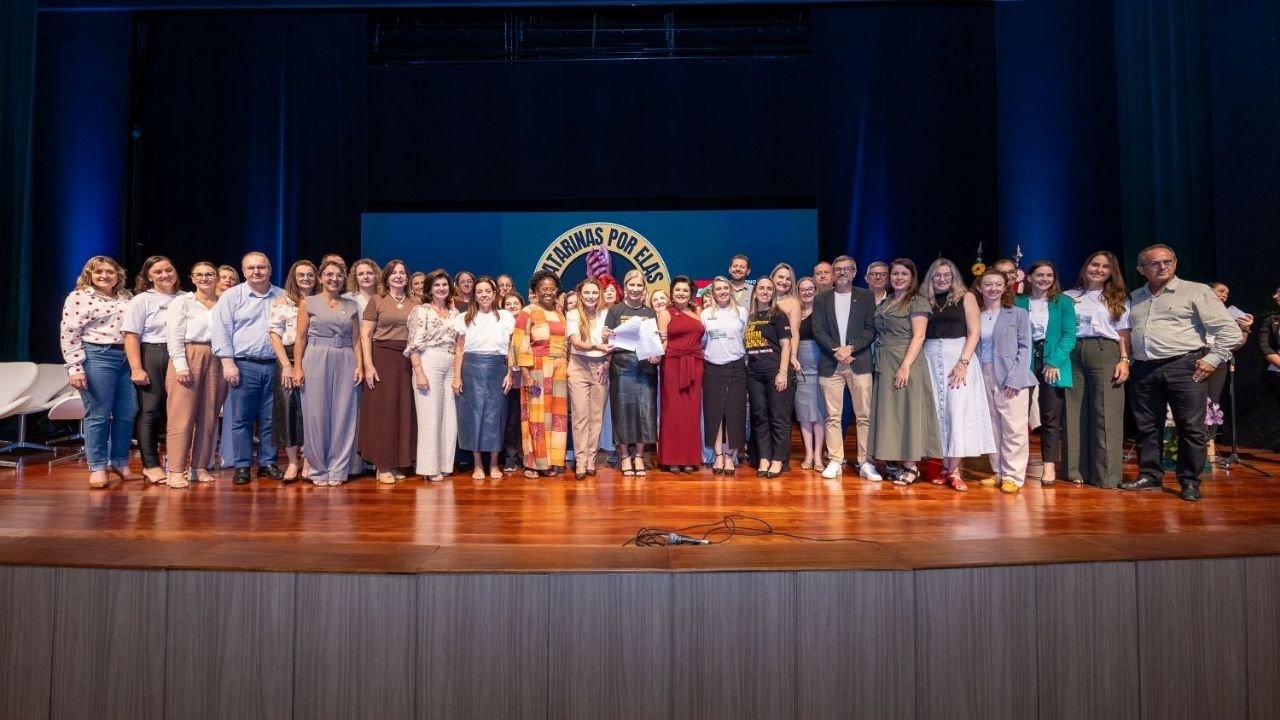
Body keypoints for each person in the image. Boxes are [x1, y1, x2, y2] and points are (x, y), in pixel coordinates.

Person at [1121, 244, 1242, 501]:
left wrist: (1212, 359)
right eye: (1154, 263)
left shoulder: (1196, 291)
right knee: (1146, 427)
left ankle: (1189, 481)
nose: (1162, 266)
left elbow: (1230, 331)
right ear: (1141, 269)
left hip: (1184, 366)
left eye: (1168, 261)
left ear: (1175, 263)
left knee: (1191, 427)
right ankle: (1149, 475)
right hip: (1143, 368)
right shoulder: (1135, 297)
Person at [60, 256, 138, 488]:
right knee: (99, 414)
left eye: (110, 272)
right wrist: (75, 367)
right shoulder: (79, 297)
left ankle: (120, 462)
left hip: (127, 357)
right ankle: (97, 466)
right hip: (97, 355)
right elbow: (69, 332)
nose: (105, 276)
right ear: (89, 275)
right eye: (99, 272)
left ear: (118, 275)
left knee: (127, 412)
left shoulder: (126, 296)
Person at [920, 258, 994, 492]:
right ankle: (941, 468)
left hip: (958, 356)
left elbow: (974, 333)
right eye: (937, 275)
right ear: (931, 277)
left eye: (947, 275)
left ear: (954, 278)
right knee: (936, 412)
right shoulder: (924, 299)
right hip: (930, 357)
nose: (942, 279)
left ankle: (954, 470)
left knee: (957, 412)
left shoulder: (966, 297)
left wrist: (963, 363)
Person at [212, 251, 285, 485]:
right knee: (242, 419)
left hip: (275, 365)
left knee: (271, 419)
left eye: (261, 267)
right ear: (243, 272)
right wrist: (227, 363)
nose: (257, 272)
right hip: (244, 365)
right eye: (251, 268)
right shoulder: (232, 296)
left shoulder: (283, 296)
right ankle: (242, 465)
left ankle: (267, 463)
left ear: (270, 270)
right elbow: (221, 330)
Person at [868, 259, 942, 485]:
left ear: (911, 278)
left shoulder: (916, 301)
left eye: (904, 274)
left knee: (908, 413)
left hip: (905, 361)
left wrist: (905, 366)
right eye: (895, 274)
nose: (898, 278)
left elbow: (919, 336)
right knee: (891, 415)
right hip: (884, 362)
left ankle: (911, 466)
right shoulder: (886, 302)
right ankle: (895, 461)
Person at [1063, 251, 1132, 488]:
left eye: (1105, 267)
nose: (1099, 270)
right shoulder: (1068, 296)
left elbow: (1123, 333)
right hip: (1072, 352)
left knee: (1106, 412)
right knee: (1073, 411)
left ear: (1112, 272)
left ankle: (1107, 476)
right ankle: (1075, 470)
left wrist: (1124, 360)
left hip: (1105, 350)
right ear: (1086, 266)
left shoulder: (1117, 297)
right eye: (1095, 264)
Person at [293, 260, 363, 486]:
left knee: (344, 414)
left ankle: (338, 469)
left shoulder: (351, 305)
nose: (334, 279)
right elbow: (300, 338)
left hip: (345, 358)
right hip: (315, 357)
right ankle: (318, 468)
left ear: (344, 279)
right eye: (329, 274)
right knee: (315, 414)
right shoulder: (308, 302)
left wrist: (360, 365)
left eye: (339, 275)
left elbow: (357, 340)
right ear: (321, 277)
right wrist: (297, 367)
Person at [811, 255, 879, 481]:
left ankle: (865, 462)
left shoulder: (866, 296)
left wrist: (850, 348)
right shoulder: (822, 299)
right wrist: (837, 350)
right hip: (831, 364)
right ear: (833, 273)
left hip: (859, 362)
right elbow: (818, 330)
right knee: (832, 416)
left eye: (847, 269)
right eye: (838, 269)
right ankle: (835, 460)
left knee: (864, 416)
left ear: (854, 272)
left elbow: (870, 329)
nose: (842, 272)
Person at [973, 269, 1038, 493]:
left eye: (998, 284)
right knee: (991, 427)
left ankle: (1014, 476)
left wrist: (1015, 379)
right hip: (982, 373)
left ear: (1004, 287)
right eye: (988, 284)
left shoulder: (1017, 313)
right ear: (980, 287)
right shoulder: (976, 314)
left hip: (1010, 375)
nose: (993, 288)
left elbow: (1025, 347)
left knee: (1014, 428)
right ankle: (998, 472)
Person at [164, 261, 226, 487]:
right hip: (188, 354)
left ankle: (199, 466)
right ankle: (176, 470)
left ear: (217, 277)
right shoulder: (182, 302)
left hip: (217, 356)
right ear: (191, 278)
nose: (204, 278)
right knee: (181, 416)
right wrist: (181, 365)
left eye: (209, 274)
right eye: (199, 274)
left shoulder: (224, 303)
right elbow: (174, 335)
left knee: (209, 415)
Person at [1015, 260, 1076, 486]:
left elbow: (1069, 335)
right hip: (1025, 362)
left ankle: (1048, 465)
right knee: (1018, 416)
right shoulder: (1018, 301)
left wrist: (1053, 362)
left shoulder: (1063, 302)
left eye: (1049, 275)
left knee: (1051, 416)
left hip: (1053, 362)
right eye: (1040, 275)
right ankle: (1016, 466)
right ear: (1029, 278)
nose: (1045, 279)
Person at [123, 255, 180, 484]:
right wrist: (137, 368)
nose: (165, 275)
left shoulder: (186, 298)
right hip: (153, 352)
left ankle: (178, 464)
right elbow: (131, 336)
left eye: (169, 270)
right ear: (149, 276)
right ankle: (151, 464)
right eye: (158, 272)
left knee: (178, 410)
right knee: (151, 409)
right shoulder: (141, 300)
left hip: (181, 354)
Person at [360, 259, 418, 484]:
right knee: (383, 412)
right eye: (394, 273)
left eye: (402, 272)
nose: (399, 276)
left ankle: (397, 462)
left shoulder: (415, 303)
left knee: (403, 412)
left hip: (406, 360)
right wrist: (368, 365)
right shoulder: (377, 300)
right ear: (386, 277)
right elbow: (365, 334)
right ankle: (382, 465)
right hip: (382, 357)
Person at [452, 277, 515, 480]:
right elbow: (459, 349)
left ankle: (494, 463)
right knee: (473, 416)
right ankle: (478, 464)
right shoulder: (464, 317)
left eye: (488, 291)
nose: (484, 295)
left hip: (498, 369)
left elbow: (511, 348)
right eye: (480, 292)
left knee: (495, 417)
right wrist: (457, 377)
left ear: (495, 294)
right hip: (471, 369)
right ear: (475, 295)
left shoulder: (505, 316)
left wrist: (510, 373)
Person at [510, 271, 570, 477]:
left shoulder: (560, 313)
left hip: (559, 370)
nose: (548, 292)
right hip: (536, 370)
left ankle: (550, 462)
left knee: (556, 417)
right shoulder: (527, 312)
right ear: (535, 291)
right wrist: (526, 375)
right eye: (544, 289)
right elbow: (520, 344)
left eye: (552, 289)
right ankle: (532, 463)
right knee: (536, 417)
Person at [405, 269, 460, 482]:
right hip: (429, 361)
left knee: (450, 417)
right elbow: (413, 344)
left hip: (451, 362)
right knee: (430, 416)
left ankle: (445, 464)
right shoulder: (421, 311)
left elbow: (459, 343)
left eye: (444, 285)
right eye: (437, 285)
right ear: (429, 288)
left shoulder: (454, 313)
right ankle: (429, 467)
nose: (441, 288)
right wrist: (419, 372)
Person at [267, 260, 318, 483]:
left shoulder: (322, 301)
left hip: (314, 357)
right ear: (293, 278)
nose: (306, 278)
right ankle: (292, 462)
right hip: (287, 358)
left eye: (310, 274)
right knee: (288, 410)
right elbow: (274, 334)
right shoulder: (282, 301)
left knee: (311, 411)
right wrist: (286, 366)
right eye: (301, 275)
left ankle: (309, 460)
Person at [606, 269, 659, 476]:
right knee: (622, 412)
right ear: (625, 287)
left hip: (645, 368)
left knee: (644, 412)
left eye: (639, 285)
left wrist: (655, 355)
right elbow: (607, 340)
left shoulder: (650, 312)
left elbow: (654, 342)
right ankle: (624, 456)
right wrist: (606, 335)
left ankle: (639, 456)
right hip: (621, 366)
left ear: (644, 288)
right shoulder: (615, 311)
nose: (635, 289)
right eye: (632, 285)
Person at [744, 278, 795, 477]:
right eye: (761, 288)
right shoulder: (750, 317)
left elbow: (786, 345)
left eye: (769, 289)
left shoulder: (778, 315)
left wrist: (783, 373)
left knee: (778, 418)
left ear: (773, 293)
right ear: (755, 292)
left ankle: (777, 460)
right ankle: (764, 458)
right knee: (759, 417)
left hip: (775, 372)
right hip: (754, 374)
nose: (765, 292)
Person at [701, 277, 749, 474]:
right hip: (712, 368)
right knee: (714, 414)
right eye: (718, 289)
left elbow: (746, 339)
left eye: (725, 288)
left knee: (735, 413)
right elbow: (702, 342)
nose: (722, 292)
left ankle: (730, 456)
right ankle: (718, 455)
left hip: (736, 368)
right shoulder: (705, 314)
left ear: (731, 290)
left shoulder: (742, 312)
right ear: (713, 293)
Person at [657, 276, 705, 473]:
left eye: (685, 290)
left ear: (691, 293)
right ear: (671, 292)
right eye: (677, 290)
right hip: (672, 364)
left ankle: (690, 458)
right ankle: (671, 459)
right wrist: (654, 355)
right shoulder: (665, 313)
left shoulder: (697, 312)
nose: (681, 293)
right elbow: (662, 341)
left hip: (695, 364)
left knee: (691, 412)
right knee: (673, 411)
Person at [567, 279, 611, 479]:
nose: (591, 296)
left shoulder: (607, 313)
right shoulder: (573, 314)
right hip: (578, 366)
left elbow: (613, 342)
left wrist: (606, 362)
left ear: (599, 294)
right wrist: (596, 346)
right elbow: (576, 342)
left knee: (596, 417)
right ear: (580, 295)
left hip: (601, 367)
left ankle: (591, 459)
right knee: (580, 417)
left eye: (594, 293)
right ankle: (580, 461)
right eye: (587, 293)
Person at [1204, 281, 1254, 410]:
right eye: (1221, 291)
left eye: (1227, 294)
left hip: (1217, 361)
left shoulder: (1228, 316)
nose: (1225, 295)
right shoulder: (1191, 311)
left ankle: (1210, 423)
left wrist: (1244, 329)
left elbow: (1235, 346)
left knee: (1211, 400)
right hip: (1192, 359)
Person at [792, 277, 825, 470]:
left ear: (816, 290)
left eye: (810, 288)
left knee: (820, 413)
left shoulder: (823, 311)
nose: (807, 292)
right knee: (804, 412)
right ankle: (808, 454)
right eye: (802, 289)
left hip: (821, 366)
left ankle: (819, 455)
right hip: (800, 367)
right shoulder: (794, 312)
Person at [500, 291, 526, 472]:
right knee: (512, 419)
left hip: (528, 376)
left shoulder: (528, 324)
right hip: (508, 377)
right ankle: (511, 457)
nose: (512, 306)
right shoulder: (500, 326)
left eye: (516, 303)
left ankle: (528, 456)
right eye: (508, 304)